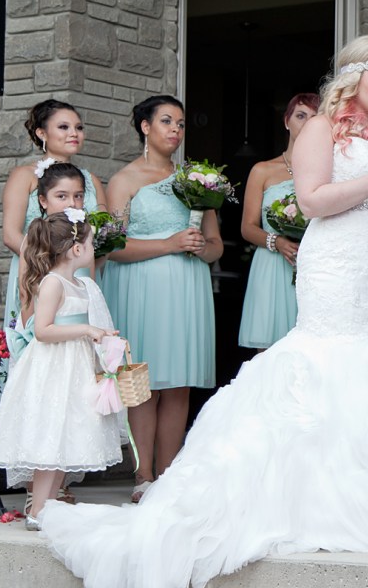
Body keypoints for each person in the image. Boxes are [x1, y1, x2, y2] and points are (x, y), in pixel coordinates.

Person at [38, 36, 368, 588]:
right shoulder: (321, 130)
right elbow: (312, 201)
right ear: (352, 78)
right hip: (335, 269)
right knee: (332, 363)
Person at [100, 95, 223, 503]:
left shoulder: (197, 181)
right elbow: (113, 246)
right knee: (145, 383)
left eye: (181, 123)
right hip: (142, 287)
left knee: (180, 384)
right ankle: (143, 476)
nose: (175, 129)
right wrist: (169, 244)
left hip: (187, 287)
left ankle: (169, 476)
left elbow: (216, 246)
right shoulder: (124, 180)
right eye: (167, 121)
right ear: (145, 126)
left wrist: (201, 248)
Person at [0, 211, 122, 529]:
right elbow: (43, 330)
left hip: (76, 369)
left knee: (67, 435)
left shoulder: (81, 284)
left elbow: (77, 324)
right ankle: (37, 510)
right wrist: (86, 329)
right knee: (50, 436)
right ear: (76, 249)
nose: (93, 249)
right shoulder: (52, 283)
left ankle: (50, 507)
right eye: (91, 243)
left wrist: (101, 336)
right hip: (53, 369)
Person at [2, 100, 105, 360]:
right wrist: (50, 263)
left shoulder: (91, 181)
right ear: (41, 133)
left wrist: (91, 254)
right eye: (63, 127)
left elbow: (102, 230)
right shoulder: (24, 175)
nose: (74, 133)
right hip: (36, 267)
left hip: (81, 271)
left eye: (78, 127)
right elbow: (11, 234)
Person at [239, 92, 320, 351]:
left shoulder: (329, 174)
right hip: (272, 266)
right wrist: (277, 242)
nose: (307, 123)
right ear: (286, 122)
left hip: (313, 265)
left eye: (315, 118)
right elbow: (247, 228)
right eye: (300, 116)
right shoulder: (262, 170)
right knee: (269, 354)